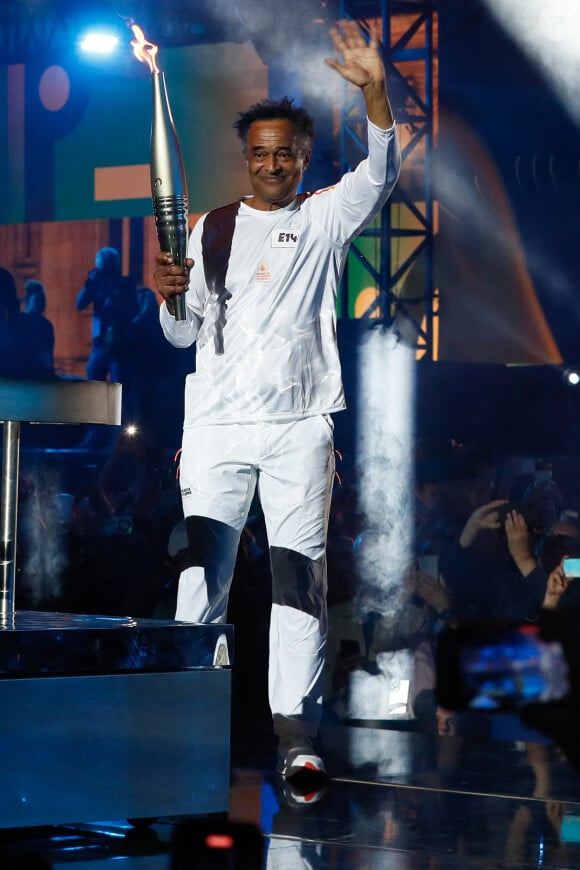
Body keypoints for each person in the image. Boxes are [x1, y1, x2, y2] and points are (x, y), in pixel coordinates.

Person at [154, 19, 401, 781]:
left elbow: (381, 175)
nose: (271, 164)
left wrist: (376, 91)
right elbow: (182, 332)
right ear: (247, 158)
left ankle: (296, 738)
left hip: (299, 428)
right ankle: (182, 723)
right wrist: (167, 298)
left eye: (284, 153)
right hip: (219, 428)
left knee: (299, 582)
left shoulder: (323, 218)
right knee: (203, 580)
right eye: (259, 153)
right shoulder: (209, 231)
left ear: (302, 159)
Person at [76, 246, 138, 384]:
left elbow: (132, 310)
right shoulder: (96, 284)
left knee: (119, 386)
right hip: (99, 344)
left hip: (119, 345)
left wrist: (111, 291)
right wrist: (89, 284)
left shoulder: (126, 284)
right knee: (93, 381)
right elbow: (80, 304)